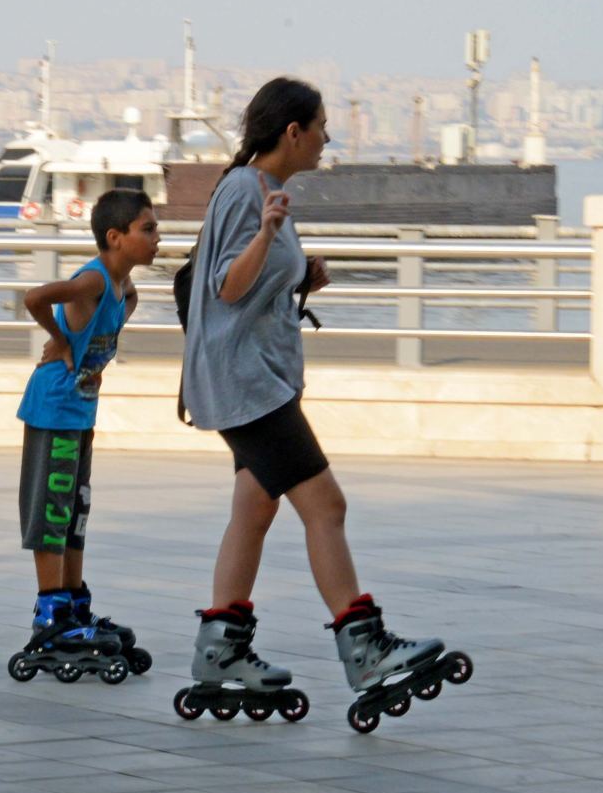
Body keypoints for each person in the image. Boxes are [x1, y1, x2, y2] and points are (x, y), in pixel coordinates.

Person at [176, 77, 445, 717]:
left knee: (254, 509)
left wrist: (302, 278)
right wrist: (270, 237)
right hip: (247, 387)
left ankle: (221, 650)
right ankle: (365, 649)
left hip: (251, 378)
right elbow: (227, 288)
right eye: (322, 126)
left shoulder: (265, 190)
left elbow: (254, 290)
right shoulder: (248, 189)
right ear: (292, 132)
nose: (328, 138)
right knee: (326, 504)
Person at [8, 188, 161, 682]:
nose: (158, 237)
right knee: (53, 509)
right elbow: (34, 299)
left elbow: (124, 306)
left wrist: (96, 358)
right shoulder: (94, 280)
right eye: (149, 229)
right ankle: (50, 615)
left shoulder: (120, 287)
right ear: (115, 238)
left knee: (76, 508)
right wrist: (58, 340)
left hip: (79, 413)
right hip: (54, 409)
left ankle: (73, 606)